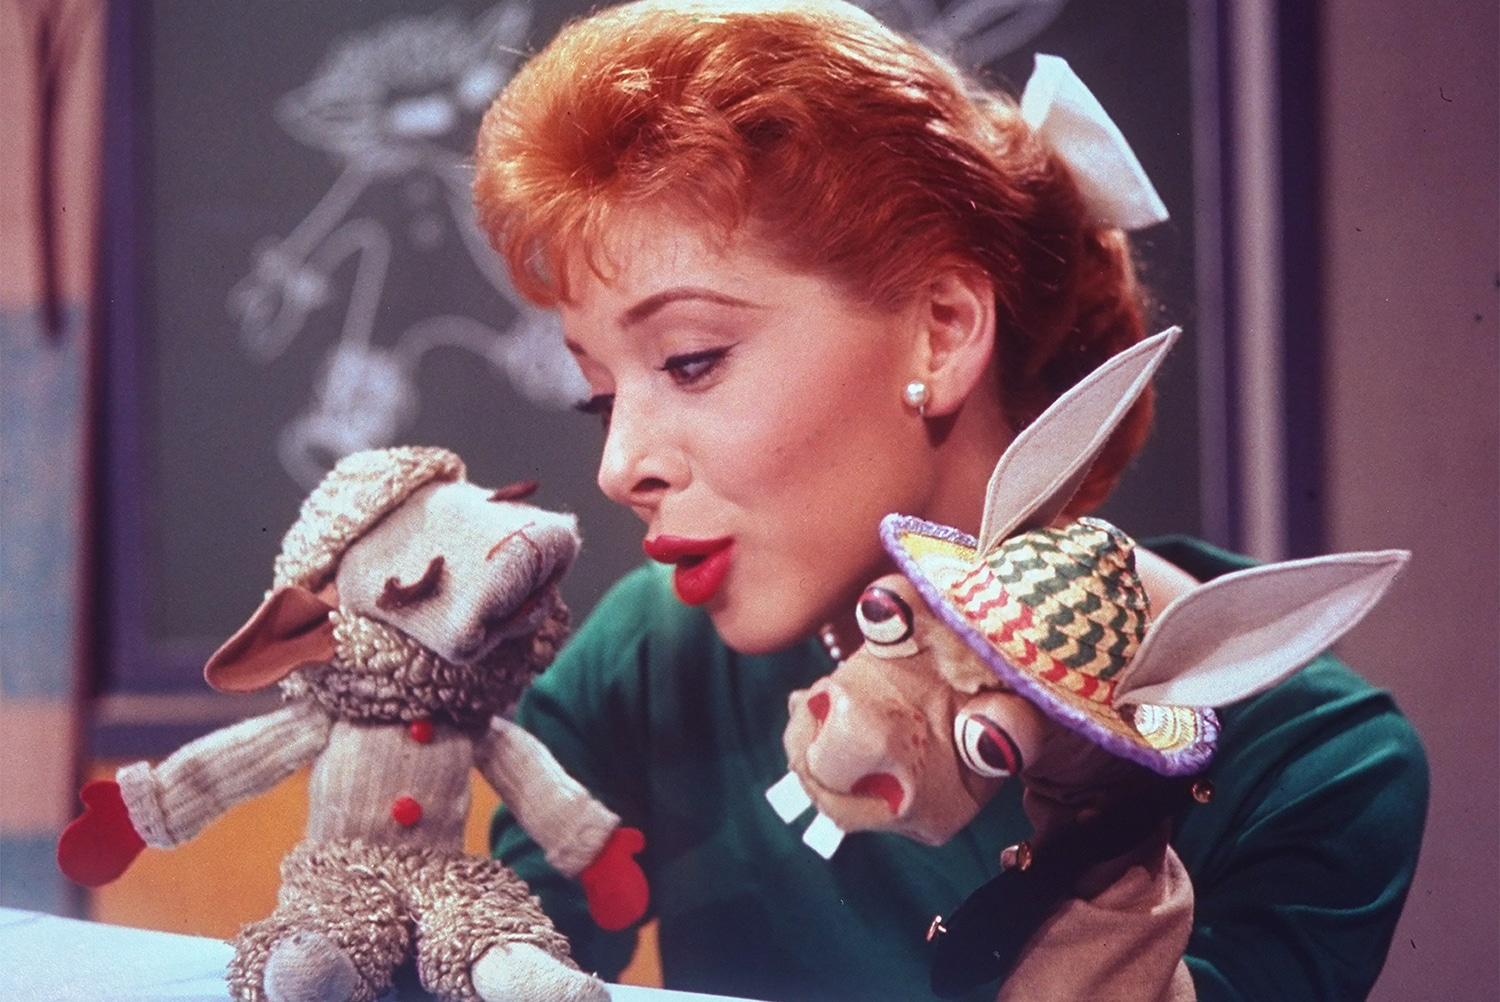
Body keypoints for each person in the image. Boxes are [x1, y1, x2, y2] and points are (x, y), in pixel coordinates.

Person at [470, 2, 1428, 1000]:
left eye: (690, 359)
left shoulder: (1315, 766)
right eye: (600, 396)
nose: (618, 466)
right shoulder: (652, 654)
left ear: (942, 329)